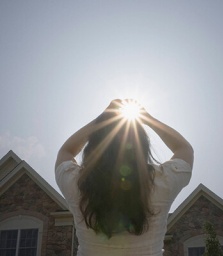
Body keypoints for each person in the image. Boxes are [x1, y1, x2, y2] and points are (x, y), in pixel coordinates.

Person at [55, 99, 194, 256]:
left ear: (93, 147)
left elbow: (66, 151)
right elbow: (184, 148)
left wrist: (103, 118)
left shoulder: (76, 184)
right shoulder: (163, 182)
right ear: (142, 147)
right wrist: (148, 118)